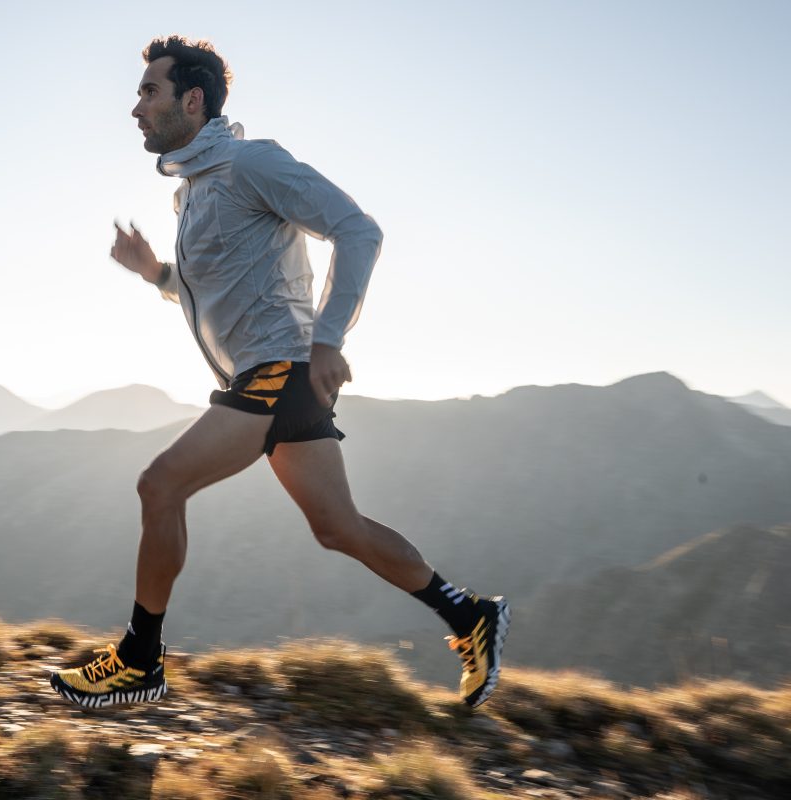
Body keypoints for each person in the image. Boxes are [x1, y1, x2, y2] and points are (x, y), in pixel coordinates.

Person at [50, 35, 509, 710]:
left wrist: (328, 339)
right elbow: (216, 286)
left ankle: (139, 661)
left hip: (276, 370)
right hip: (271, 375)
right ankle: (468, 616)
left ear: (192, 98)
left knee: (160, 485)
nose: (136, 108)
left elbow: (358, 231)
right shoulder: (194, 194)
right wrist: (153, 274)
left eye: (149, 91)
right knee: (339, 526)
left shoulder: (249, 163)